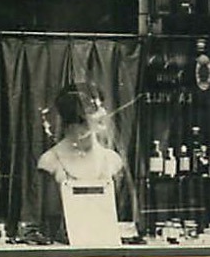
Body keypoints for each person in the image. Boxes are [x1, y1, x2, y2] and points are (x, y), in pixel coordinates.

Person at [36, 86, 136, 246]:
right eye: (95, 109)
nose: (104, 113)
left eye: (102, 106)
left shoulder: (112, 160)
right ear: (76, 117)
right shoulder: (50, 161)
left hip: (108, 251)